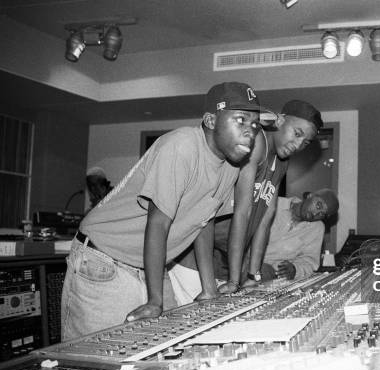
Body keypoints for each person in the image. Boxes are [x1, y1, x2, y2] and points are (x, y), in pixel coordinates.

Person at [60, 82, 265, 340]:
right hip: (104, 257)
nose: (250, 131)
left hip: (148, 264)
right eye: (240, 120)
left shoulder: (231, 167)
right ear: (211, 120)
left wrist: (209, 287)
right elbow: (158, 224)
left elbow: (203, 223)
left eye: (255, 124)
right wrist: (155, 300)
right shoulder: (181, 146)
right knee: (97, 363)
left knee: (163, 349)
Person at [171, 100, 324, 294]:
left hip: (226, 263)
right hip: (196, 259)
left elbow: (264, 220)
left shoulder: (282, 161)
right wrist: (235, 280)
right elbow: (242, 212)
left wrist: (253, 275)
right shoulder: (256, 142)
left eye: (306, 142)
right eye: (297, 133)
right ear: (280, 121)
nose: (298, 145)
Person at [170, 189, 339, 305]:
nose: (317, 214)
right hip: (235, 256)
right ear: (309, 195)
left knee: (258, 275)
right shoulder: (273, 203)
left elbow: (309, 261)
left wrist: (295, 268)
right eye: (318, 205)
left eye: (323, 214)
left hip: (266, 271)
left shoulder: (317, 228)